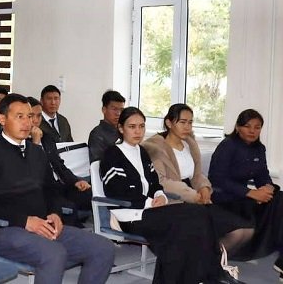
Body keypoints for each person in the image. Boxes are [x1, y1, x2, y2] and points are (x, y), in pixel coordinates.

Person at [0, 93, 114, 284]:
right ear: (2, 119)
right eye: (19, 117)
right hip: (9, 230)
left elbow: (51, 190)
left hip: (45, 225)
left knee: (103, 247)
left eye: (29, 116)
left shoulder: (37, 152)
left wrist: (55, 213)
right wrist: (25, 221)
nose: (27, 122)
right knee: (54, 254)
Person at [101, 107, 244, 284]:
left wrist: (160, 195)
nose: (138, 131)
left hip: (151, 210)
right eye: (132, 127)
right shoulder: (112, 154)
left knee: (199, 214)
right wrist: (150, 202)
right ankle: (211, 276)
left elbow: (155, 183)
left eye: (141, 126)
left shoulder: (142, 151)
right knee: (185, 225)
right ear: (121, 128)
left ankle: (209, 273)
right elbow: (117, 191)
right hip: (131, 216)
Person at [142, 104, 253, 257]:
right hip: (174, 200)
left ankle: (208, 260)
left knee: (246, 231)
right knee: (236, 233)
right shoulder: (155, 147)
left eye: (190, 122)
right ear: (169, 123)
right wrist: (193, 195)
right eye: (182, 122)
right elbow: (161, 182)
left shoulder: (189, 144)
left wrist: (204, 188)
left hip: (196, 196)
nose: (187, 127)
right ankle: (205, 261)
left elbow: (197, 174)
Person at [209, 109, 283, 274]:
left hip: (244, 198)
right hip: (224, 200)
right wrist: (250, 193)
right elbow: (217, 178)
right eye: (247, 126)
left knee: (280, 198)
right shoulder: (228, 146)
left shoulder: (259, 149)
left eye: (257, 127)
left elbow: (262, 176)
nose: (252, 131)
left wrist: (268, 188)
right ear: (237, 127)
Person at [29, 97, 91, 227]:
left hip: (60, 184)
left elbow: (59, 165)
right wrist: (35, 143)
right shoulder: (22, 142)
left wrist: (75, 181)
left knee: (89, 194)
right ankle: (73, 230)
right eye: (31, 116)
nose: (35, 120)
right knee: (67, 207)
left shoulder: (47, 138)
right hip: (43, 189)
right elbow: (32, 170)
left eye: (39, 116)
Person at [87, 90, 125, 162]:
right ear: (104, 110)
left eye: (121, 110)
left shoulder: (124, 130)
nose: (119, 113)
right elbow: (97, 163)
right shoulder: (97, 134)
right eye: (114, 109)